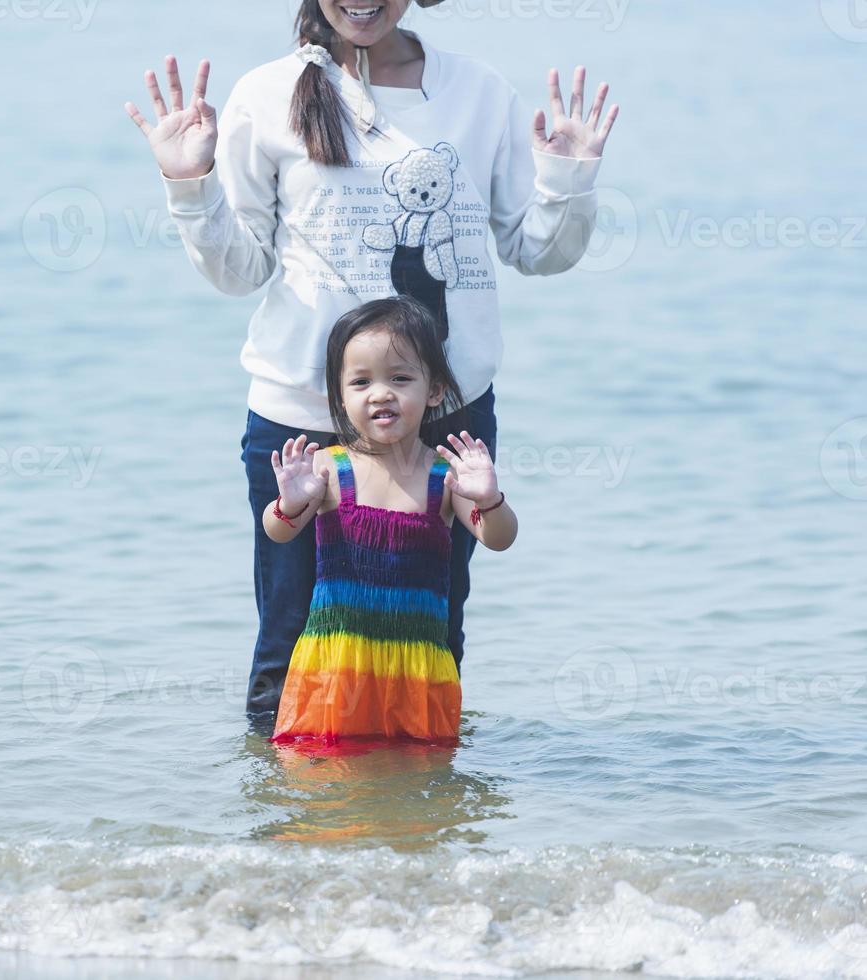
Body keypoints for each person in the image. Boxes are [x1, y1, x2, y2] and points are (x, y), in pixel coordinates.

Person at [124, 0, 617, 719]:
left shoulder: (477, 94)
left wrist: (567, 181)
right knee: (292, 652)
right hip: (302, 419)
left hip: (441, 419)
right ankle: (279, 823)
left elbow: (537, 251)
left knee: (428, 643)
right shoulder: (267, 94)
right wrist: (188, 187)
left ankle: (422, 823)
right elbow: (237, 269)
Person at [263, 296, 515, 749]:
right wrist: (288, 502)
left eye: (400, 378)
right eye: (361, 382)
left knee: (417, 787)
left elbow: (498, 538)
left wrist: (491, 498)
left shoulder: (445, 475)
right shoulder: (327, 468)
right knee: (320, 787)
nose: (381, 393)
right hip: (336, 664)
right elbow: (277, 531)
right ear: (339, 396)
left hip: (417, 670)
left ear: (434, 389)